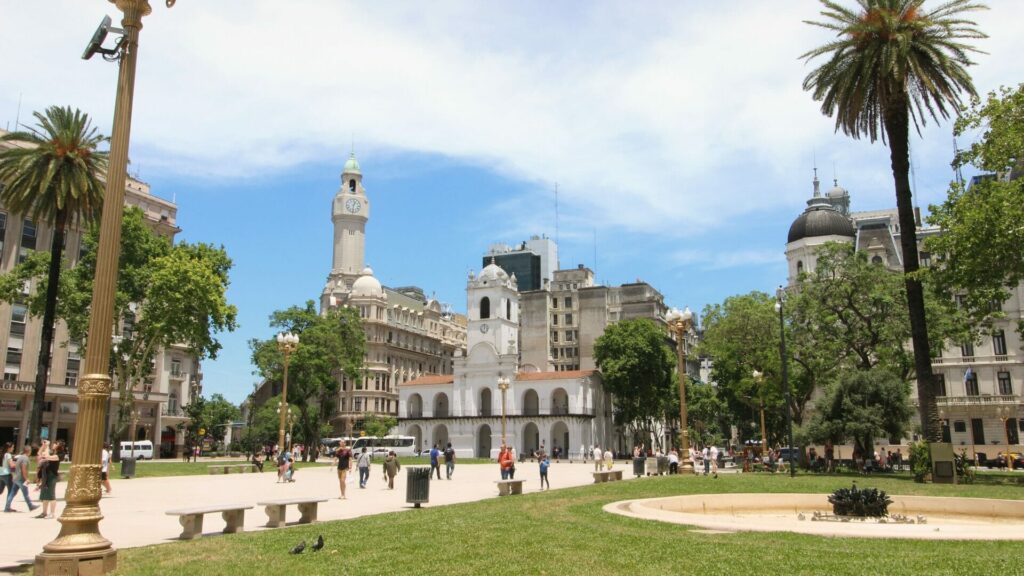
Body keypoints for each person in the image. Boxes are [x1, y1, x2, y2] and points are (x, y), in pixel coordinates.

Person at [4, 446, 38, 513]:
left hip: (16, 478)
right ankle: (30, 506)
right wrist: (26, 479)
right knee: (26, 494)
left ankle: (7, 508)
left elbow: (14, 467)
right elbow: (23, 468)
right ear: (29, 451)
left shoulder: (20, 457)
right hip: (21, 479)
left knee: (12, 493)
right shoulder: (25, 458)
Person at [37, 441, 62, 518]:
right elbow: (39, 453)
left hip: (52, 476)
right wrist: (43, 446)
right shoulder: (51, 452)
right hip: (45, 475)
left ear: (59, 446)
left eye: (56, 443)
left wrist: (47, 446)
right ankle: (44, 512)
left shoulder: (60, 455)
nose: (53, 444)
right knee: (44, 494)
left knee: (51, 494)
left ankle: (52, 513)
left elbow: (47, 457)